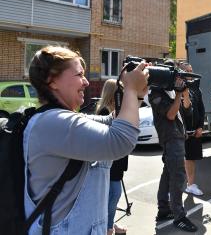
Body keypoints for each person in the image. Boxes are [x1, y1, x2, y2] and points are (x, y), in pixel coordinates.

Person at [23, 46, 148, 235]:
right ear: (52, 81)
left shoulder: (60, 119)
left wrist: (137, 94)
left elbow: (112, 123)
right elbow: (121, 140)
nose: (86, 82)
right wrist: (131, 89)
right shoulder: (52, 122)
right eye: (79, 75)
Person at [149, 60, 198, 232]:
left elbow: (187, 108)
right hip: (170, 138)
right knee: (178, 177)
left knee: (168, 174)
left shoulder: (171, 91)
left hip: (178, 137)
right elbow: (170, 115)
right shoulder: (155, 93)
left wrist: (183, 93)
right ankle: (179, 216)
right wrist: (178, 94)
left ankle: (163, 210)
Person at [96, 79, 129, 235]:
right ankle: (108, 228)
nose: (122, 93)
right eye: (120, 90)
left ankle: (110, 223)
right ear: (113, 92)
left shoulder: (116, 110)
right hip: (110, 163)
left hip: (117, 163)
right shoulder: (104, 112)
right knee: (113, 195)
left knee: (111, 197)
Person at [179, 63, 205, 196]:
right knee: (176, 160)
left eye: (191, 70)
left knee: (191, 159)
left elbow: (201, 110)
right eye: (187, 72)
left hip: (194, 132)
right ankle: (171, 189)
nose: (191, 74)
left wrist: (200, 126)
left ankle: (191, 185)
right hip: (180, 133)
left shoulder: (196, 89)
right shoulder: (177, 90)